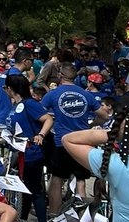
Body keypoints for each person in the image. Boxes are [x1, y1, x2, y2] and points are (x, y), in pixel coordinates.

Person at [39, 63, 103, 213]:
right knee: (80, 181)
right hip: (82, 142)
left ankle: (54, 217)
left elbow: (39, 113)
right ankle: (82, 217)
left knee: (56, 180)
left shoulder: (53, 94)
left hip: (61, 142)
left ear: (61, 76)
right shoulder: (86, 94)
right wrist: (92, 124)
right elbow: (104, 115)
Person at [4, 76, 48, 222]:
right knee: (26, 189)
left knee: (35, 190)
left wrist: (40, 135)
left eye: (5, 88)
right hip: (20, 151)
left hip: (32, 152)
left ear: (10, 88)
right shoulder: (16, 105)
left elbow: (48, 119)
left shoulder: (29, 104)